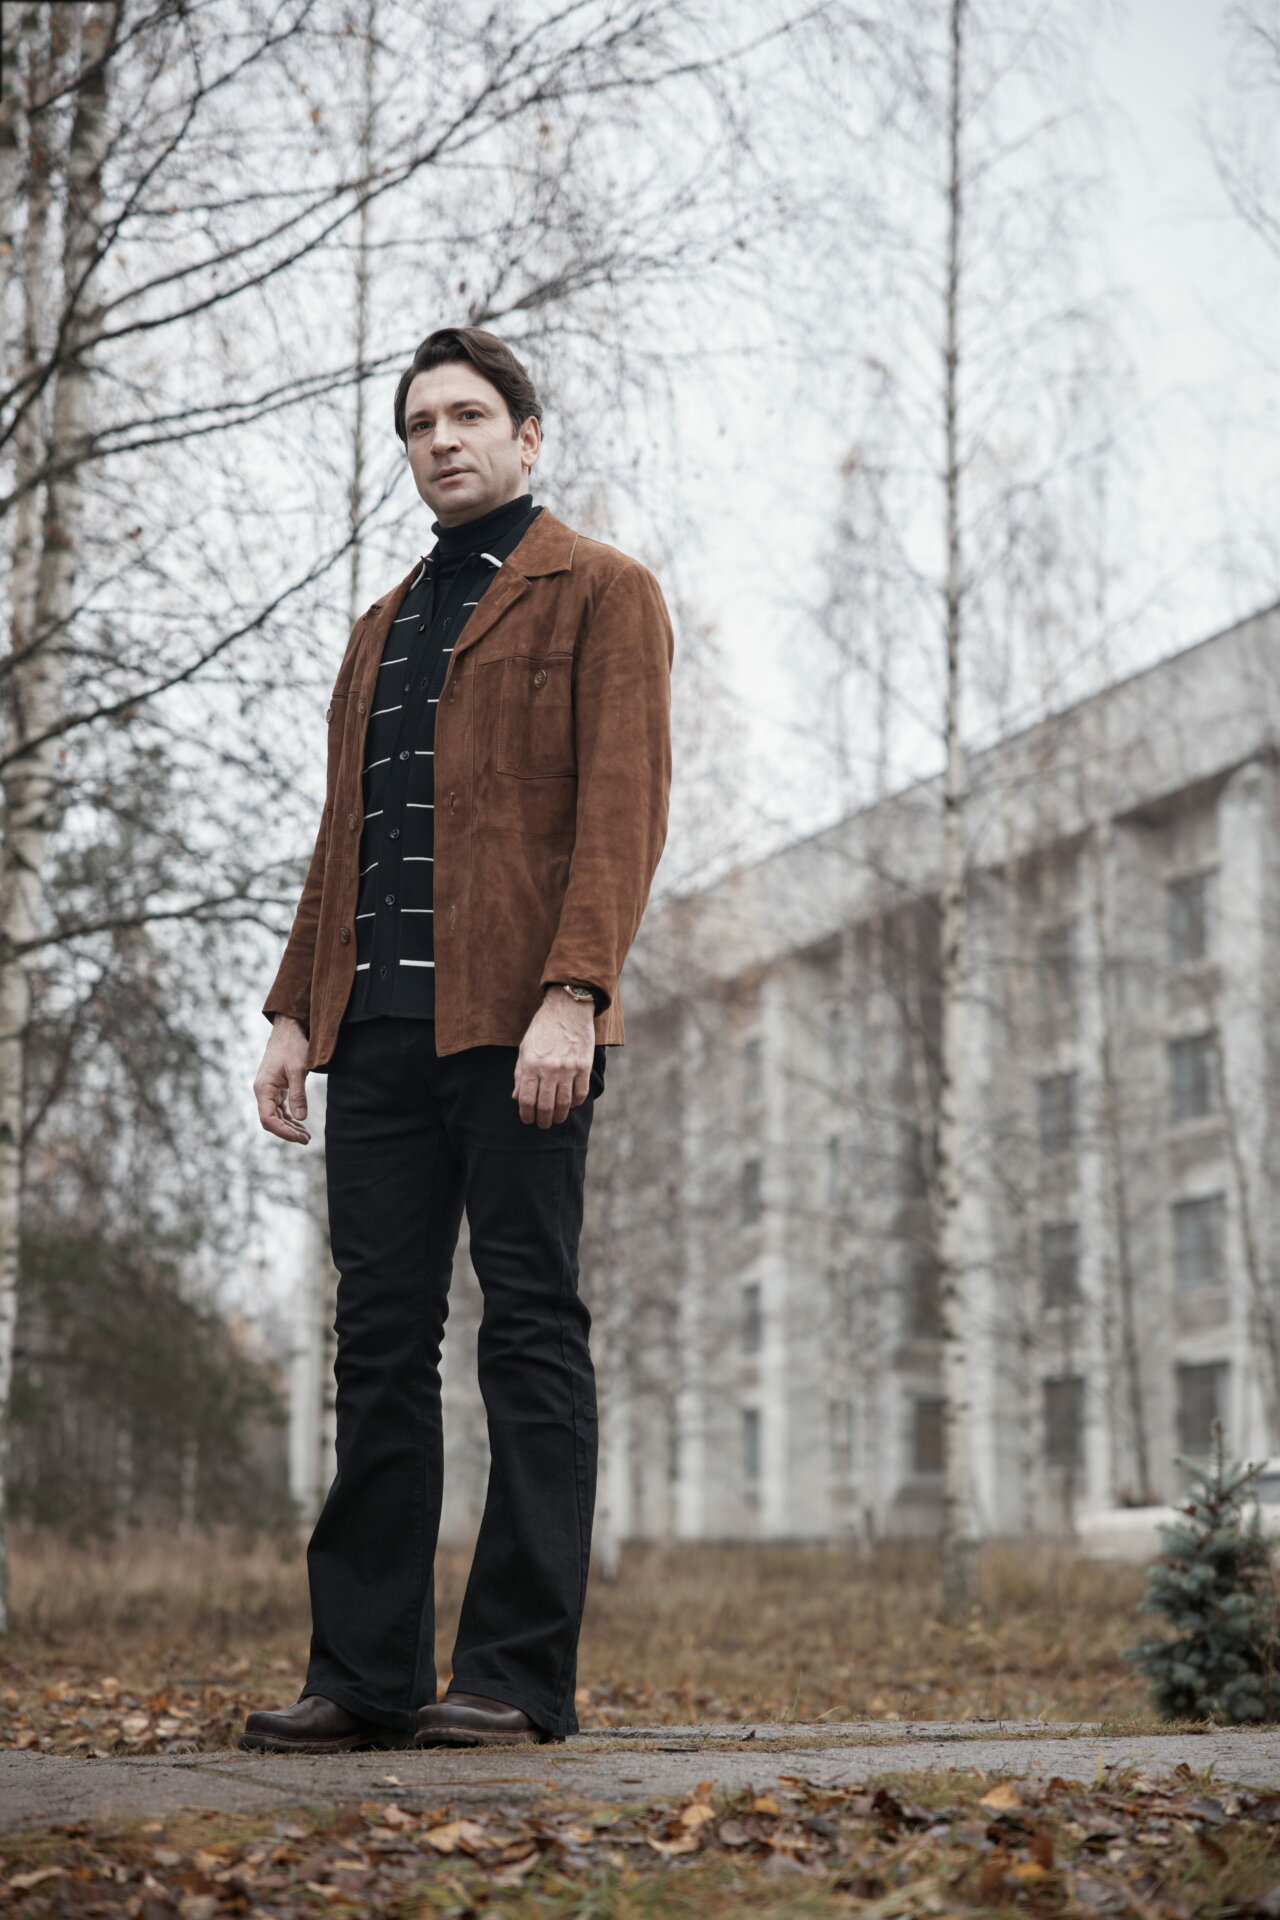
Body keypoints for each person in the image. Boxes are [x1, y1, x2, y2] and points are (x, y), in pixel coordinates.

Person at [243, 326, 673, 1752]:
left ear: (527, 437)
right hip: (374, 1037)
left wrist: (576, 993)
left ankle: (512, 1675)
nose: (443, 440)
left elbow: (622, 810)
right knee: (378, 1346)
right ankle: (363, 1676)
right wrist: (295, 1012)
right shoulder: (381, 628)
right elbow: (343, 840)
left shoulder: (601, 591)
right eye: (421, 423)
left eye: (470, 415)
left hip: (518, 1026)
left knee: (530, 1332)